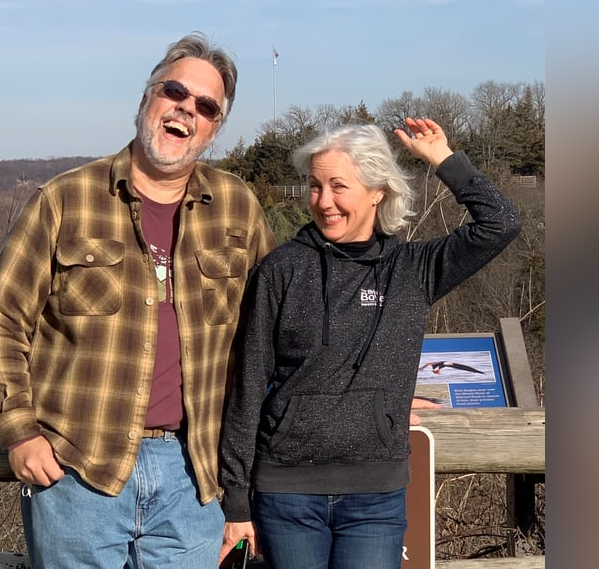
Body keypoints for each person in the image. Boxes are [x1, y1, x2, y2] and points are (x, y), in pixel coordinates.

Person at [0, 32, 275, 569]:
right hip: (76, 469)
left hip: (196, 475)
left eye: (206, 106)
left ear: (214, 128)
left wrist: (375, 391)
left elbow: (274, 335)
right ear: (147, 98)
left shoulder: (238, 208)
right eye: (175, 91)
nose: (187, 109)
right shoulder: (66, 199)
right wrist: (18, 430)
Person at [218, 118, 521, 568]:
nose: (323, 202)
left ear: (377, 190)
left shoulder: (413, 270)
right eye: (315, 186)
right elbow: (247, 386)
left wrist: (443, 158)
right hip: (287, 492)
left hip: (375, 496)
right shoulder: (281, 271)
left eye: (339, 186)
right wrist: (237, 501)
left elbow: (501, 223)